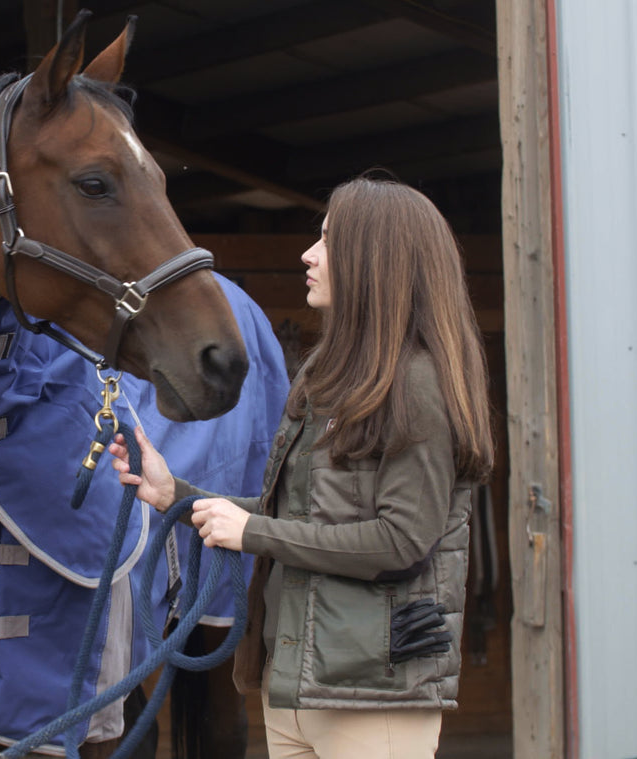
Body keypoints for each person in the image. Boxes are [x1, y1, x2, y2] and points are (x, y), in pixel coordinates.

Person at [108, 175, 493, 759]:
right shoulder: (324, 379)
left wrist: (254, 534)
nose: (308, 255)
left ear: (373, 261)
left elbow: (402, 540)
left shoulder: (416, 385)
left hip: (373, 696)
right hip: (297, 686)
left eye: (328, 241)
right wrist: (174, 496)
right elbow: (295, 516)